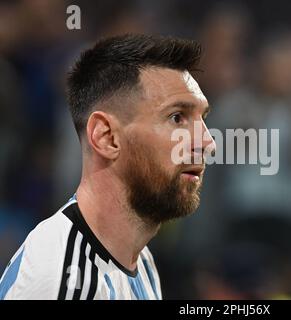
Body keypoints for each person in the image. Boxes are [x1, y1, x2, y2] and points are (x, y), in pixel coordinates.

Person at [0, 34, 215, 300]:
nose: (207, 142)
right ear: (106, 137)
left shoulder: (139, 258)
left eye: (202, 118)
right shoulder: (65, 282)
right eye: (177, 117)